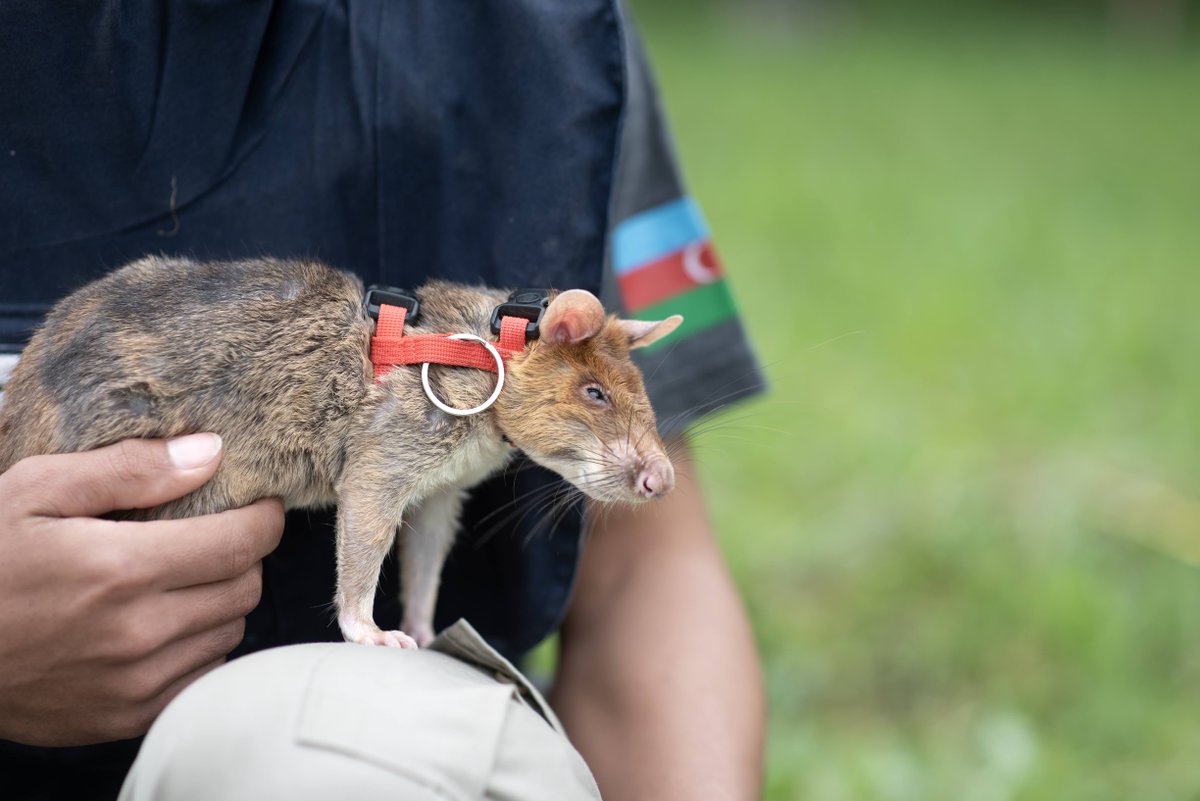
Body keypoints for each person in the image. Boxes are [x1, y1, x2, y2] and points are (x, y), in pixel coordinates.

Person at [0, 2, 766, 799]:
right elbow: (379, 485)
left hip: (337, 747)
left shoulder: (559, 41)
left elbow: (647, 571)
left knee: (347, 761)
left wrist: (414, 625)